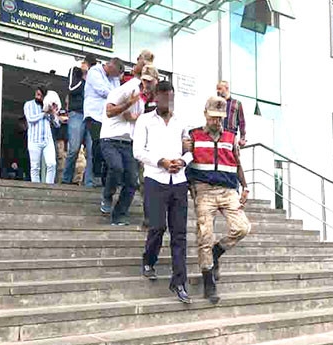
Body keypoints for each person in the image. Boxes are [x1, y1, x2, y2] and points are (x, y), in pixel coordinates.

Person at [186, 96, 251, 304]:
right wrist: (190, 187)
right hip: (204, 190)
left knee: (242, 228)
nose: (216, 121)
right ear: (205, 114)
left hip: (228, 190)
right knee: (205, 235)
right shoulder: (194, 135)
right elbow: (186, 163)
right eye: (213, 117)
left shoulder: (231, 137)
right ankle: (208, 281)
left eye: (220, 118)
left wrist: (245, 186)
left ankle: (217, 251)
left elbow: (237, 163)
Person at [133, 81, 193, 303]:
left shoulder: (181, 121)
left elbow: (190, 151)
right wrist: (162, 162)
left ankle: (179, 282)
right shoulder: (144, 120)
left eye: (171, 97)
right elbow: (138, 151)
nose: (169, 101)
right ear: (156, 97)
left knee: (179, 233)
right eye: (165, 97)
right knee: (157, 226)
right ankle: (149, 260)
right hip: (155, 179)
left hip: (179, 181)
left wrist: (183, 161)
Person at [99, 62, 158, 225]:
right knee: (116, 167)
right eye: (145, 80)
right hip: (110, 138)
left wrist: (135, 119)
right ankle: (107, 196)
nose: (147, 84)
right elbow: (109, 111)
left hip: (128, 143)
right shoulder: (129, 89)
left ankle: (119, 215)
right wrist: (128, 103)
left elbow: (136, 120)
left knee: (132, 181)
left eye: (150, 81)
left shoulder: (146, 99)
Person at [83, 57, 123, 187]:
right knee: (98, 144)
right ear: (111, 67)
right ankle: (96, 176)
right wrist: (117, 97)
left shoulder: (114, 78)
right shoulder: (94, 71)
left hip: (108, 117)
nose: (115, 77)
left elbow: (117, 93)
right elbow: (103, 91)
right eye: (115, 74)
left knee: (108, 145)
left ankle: (105, 178)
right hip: (94, 115)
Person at [62, 55, 97, 185]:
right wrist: (84, 77)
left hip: (91, 115)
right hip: (77, 113)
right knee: (74, 148)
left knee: (92, 150)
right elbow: (72, 89)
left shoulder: (96, 77)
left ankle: (89, 182)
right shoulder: (75, 71)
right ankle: (66, 179)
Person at [23, 86, 60, 184]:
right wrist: (44, 113)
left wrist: (52, 113)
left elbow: (57, 124)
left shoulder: (48, 106)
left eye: (40, 95)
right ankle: (36, 189)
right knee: (35, 167)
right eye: (37, 94)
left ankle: (49, 187)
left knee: (52, 164)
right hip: (34, 140)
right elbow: (30, 119)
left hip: (47, 140)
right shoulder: (29, 104)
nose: (38, 97)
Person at [216, 80, 247, 147]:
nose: (217, 91)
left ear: (226, 88)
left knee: (231, 153)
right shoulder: (216, 104)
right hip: (218, 136)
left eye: (220, 89)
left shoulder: (237, 103)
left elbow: (242, 122)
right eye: (217, 89)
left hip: (231, 136)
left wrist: (242, 138)